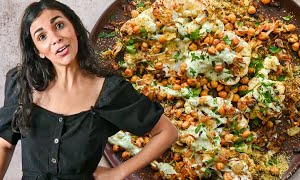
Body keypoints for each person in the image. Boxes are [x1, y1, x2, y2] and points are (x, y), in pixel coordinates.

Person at [0, 0, 178, 179]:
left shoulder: (110, 92)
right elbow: (4, 144)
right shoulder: (21, 83)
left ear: (75, 28)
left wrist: (118, 172)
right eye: (42, 36)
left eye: (59, 25)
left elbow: (167, 132)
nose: (55, 38)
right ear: (37, 50)